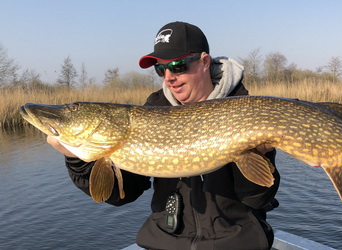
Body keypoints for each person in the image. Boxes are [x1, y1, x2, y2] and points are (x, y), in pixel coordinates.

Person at [48, 21, 281, 250]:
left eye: (178, 65)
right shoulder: (149, 114)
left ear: (204, 62)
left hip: (235, 243)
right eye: (161, 68)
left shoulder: (246, 112)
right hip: (165, 242)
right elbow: (121, 195)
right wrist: (79, 159)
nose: (169, 77)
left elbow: (256, 200)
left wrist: (258, 156)